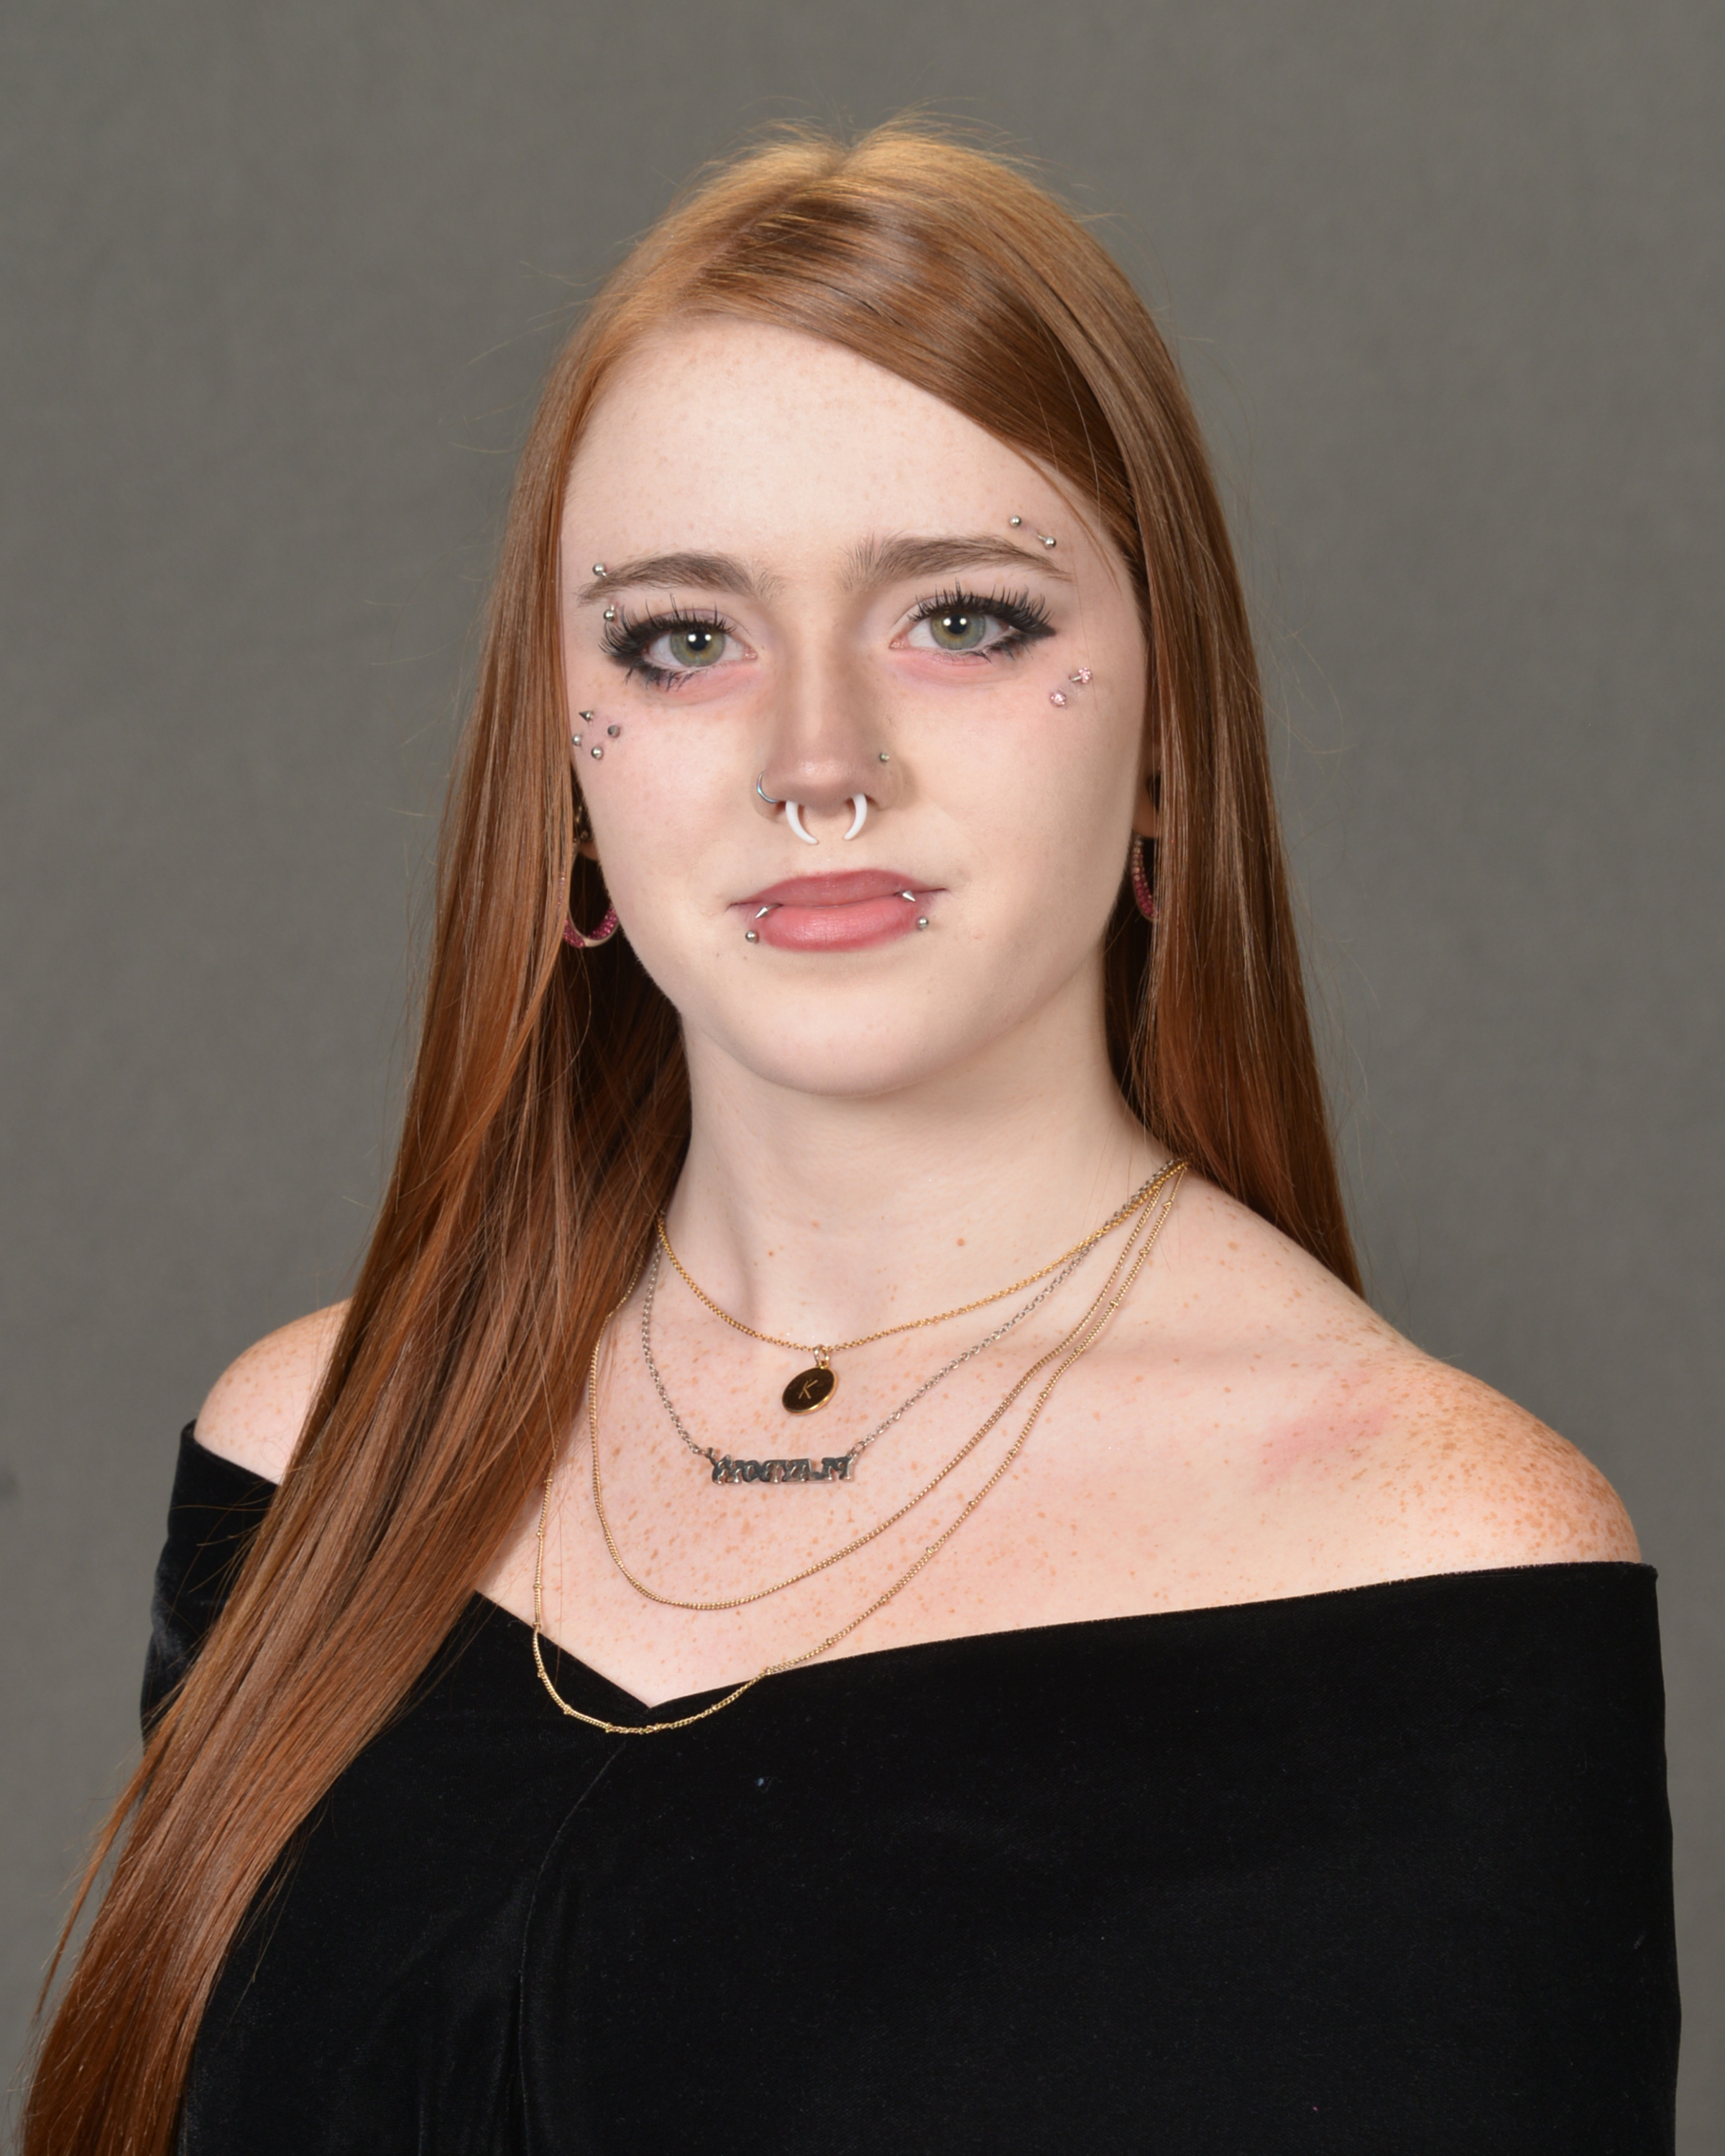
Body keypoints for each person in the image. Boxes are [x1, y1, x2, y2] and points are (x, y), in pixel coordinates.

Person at [24, 123, 1677, 2155]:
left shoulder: (1436, 1557)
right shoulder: (314, 1455)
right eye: (681, 640)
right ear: (565, 783)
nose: (819, 765)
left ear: (1169, 740)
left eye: (962, 620)